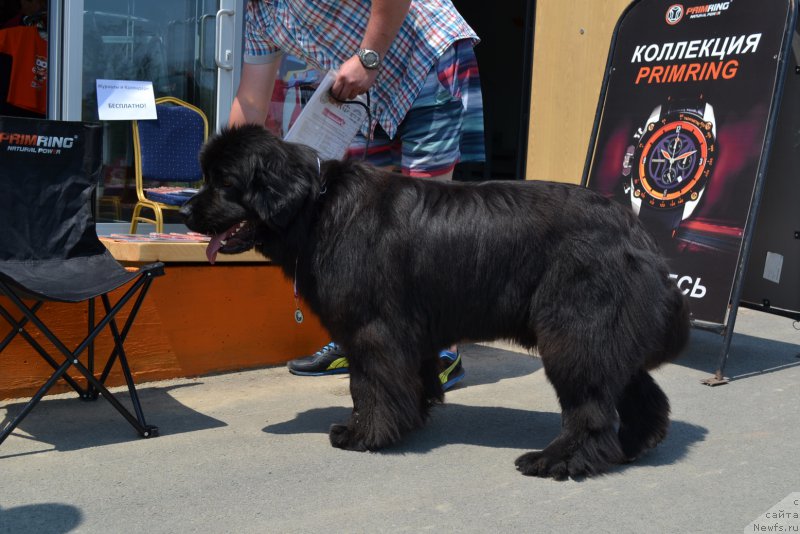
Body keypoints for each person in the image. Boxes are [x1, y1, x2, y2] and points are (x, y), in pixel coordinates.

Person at [231, 0, 486, 390]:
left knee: (425, 218)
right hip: (365, 89)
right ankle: (363, 338)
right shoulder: (257, 15)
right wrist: (228, 181)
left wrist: (368, 58)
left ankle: (441, 350)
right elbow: (251, 100)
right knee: (360, 219)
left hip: (423, 59)